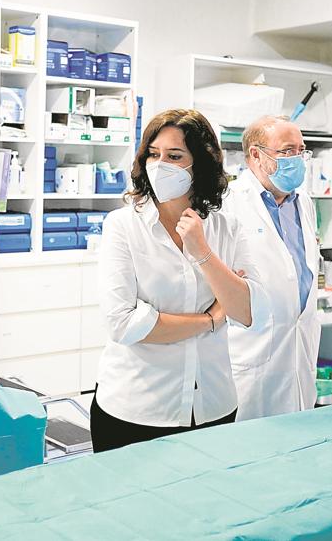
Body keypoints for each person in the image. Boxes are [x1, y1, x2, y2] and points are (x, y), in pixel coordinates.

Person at [92, 109, 265, 452]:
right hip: (136, 409)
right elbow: (123, 324)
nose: (160, 165)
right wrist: (211, 318)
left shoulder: (226, 228)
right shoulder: (123, 226)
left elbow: (246, 312)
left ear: (199, 163)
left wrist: (202, 252)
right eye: (153, 155)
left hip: (212, 406)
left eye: (174, 156)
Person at [224, 115, 320, 420]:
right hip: (251, 353)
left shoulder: (303, 201)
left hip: (298, 348)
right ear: (256, 155)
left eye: (302, 151)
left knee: (297, 446)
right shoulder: (229, 204)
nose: (298, 160)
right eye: (287, 151)